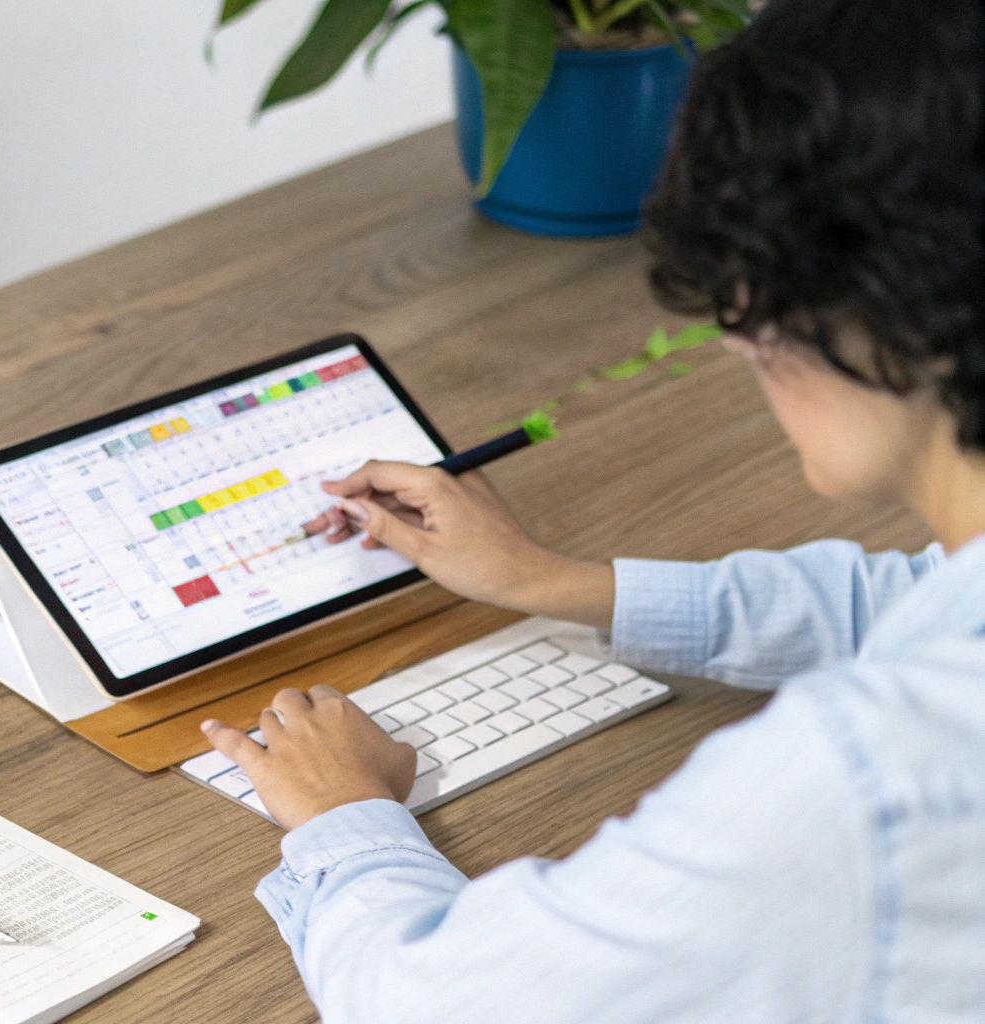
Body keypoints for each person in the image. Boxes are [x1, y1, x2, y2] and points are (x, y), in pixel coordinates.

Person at [198, 0, 985, 1020]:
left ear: (863, 309)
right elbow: (917, 598)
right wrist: (553, 582)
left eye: (745, 297)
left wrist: (339, 814)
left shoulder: (857, 781)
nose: (735, 339)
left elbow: (439, 1005)